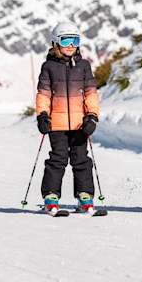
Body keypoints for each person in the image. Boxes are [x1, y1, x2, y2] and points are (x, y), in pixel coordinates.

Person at [34, 23, 101, 216]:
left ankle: (85, 196)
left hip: (80, 124)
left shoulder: (84, 66)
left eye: (75, 40)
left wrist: (92, 116)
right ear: (55, 42)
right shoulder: (48, 67)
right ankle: (51, 197)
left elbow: (91, 93)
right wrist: (42, 115)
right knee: (58, 159)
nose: (71, 45)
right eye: (66, 41)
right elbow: (43, 94)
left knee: (82, 160)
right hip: (56, 124)